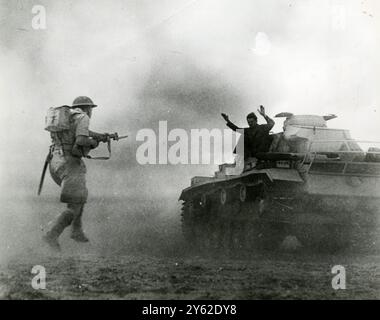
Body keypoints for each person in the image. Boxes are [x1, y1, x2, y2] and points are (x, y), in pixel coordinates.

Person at [43, 96, 108, 251]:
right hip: (69, 163)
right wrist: (95, 143)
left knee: (80, 196)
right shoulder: (83, 117)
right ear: (87, 108)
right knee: (74, 206)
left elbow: (76, 134)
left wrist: (99, 135)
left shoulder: (68, 117)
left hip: (56, 162)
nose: (91, 112)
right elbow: (80, 141)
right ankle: (51, 233)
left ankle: (76, 230)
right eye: (91, 109)